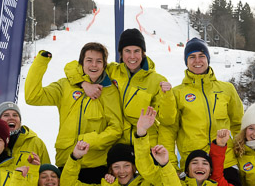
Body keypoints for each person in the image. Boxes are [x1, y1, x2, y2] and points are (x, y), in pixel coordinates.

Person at [24, 43, 123, 183]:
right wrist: (41, 62)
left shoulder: (110, 91)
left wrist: (87, 140)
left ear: (104, 64)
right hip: (65, 161)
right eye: (89, 60)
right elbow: (32, 96)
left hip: (95, 165)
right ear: (82, 62)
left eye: (98, 61)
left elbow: (116, 129)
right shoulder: (65, 86)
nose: (94, 65)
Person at [70, 28, 177, 156]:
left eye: (136, 51)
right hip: (117, 146)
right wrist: (84, 84)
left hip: (146, 144)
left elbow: (168, 120)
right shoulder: (112, 71)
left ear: (143, 53)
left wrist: (168, 97)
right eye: (127, 51)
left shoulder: (156, 81)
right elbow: (72, 67)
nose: (132, 56)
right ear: (121, 53)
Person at [171, 37, 244, 186]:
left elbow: (239, 125)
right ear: (186, 61)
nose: (197, 61)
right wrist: (172, 164)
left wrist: (243, 155)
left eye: (201, 56)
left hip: (226, 161)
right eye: (192, 57)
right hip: (194, 164)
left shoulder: (226, 89)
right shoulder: (177, 93)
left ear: (208, 59)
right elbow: (169, 132)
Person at [0, 102, 52, 168]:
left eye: (15, 115)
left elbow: (47, 172)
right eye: (6, 115)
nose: (11, 118)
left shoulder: (36, 143)